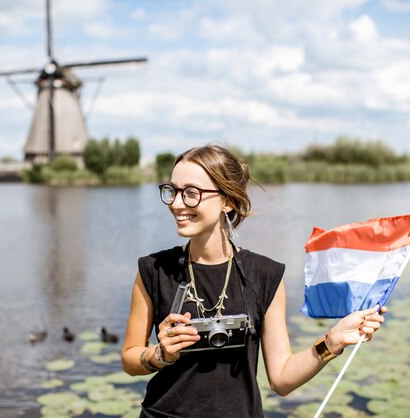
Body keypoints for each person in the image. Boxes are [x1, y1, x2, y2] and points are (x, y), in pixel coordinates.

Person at [121, 144, 387, 418]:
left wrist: (331, 342)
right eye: (172, 191)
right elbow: (130, 359)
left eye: (191, 193)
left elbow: (282, 379)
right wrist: (159, 354)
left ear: (228, 201)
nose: (177, 203)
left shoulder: (264, 275)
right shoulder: (153, 269)